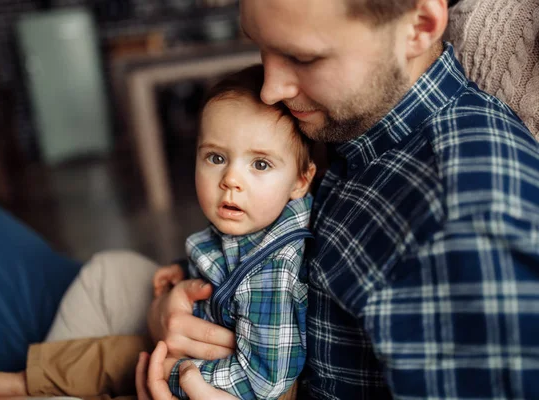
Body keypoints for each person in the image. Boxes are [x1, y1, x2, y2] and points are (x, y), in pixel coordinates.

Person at [142, 0, 539, 398]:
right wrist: (169, 313)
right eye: (261, 44)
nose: (271, 90)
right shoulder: (350, 117)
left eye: (303, 57)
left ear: (419, 26)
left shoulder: (464, 221)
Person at [0, 65, 316, 400]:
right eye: (216, 157)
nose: (231, 180)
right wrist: (181, 269)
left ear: (301, 180)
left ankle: (35, 387)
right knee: (113, 354)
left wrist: (178, 374)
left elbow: (265, 382)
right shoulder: (254, 218)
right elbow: (224, 262)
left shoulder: (273, 274)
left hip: (225, 386)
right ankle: (25, 382)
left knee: (126, 363)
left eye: (261, 164)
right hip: (202, 346)